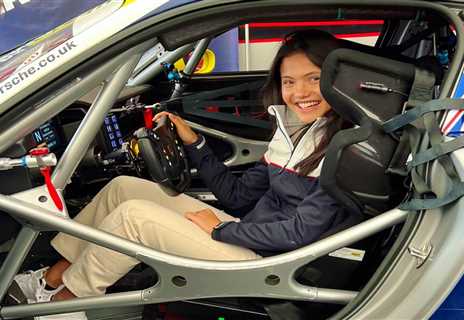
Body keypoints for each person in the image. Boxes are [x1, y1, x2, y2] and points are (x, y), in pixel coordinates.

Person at [13, 30, 360, 320]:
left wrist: (223, 230)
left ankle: (65, 305)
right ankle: (48, 281)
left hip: (273, 261)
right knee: (123, 188)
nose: (300, 93)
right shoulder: (297, 133)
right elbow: (237, 197)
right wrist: (195, 145)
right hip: (253, 238)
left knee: (134, 218)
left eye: (313, 79)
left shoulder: (343, 150)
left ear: (337, 81)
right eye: (289, 81)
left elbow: (300, 233)